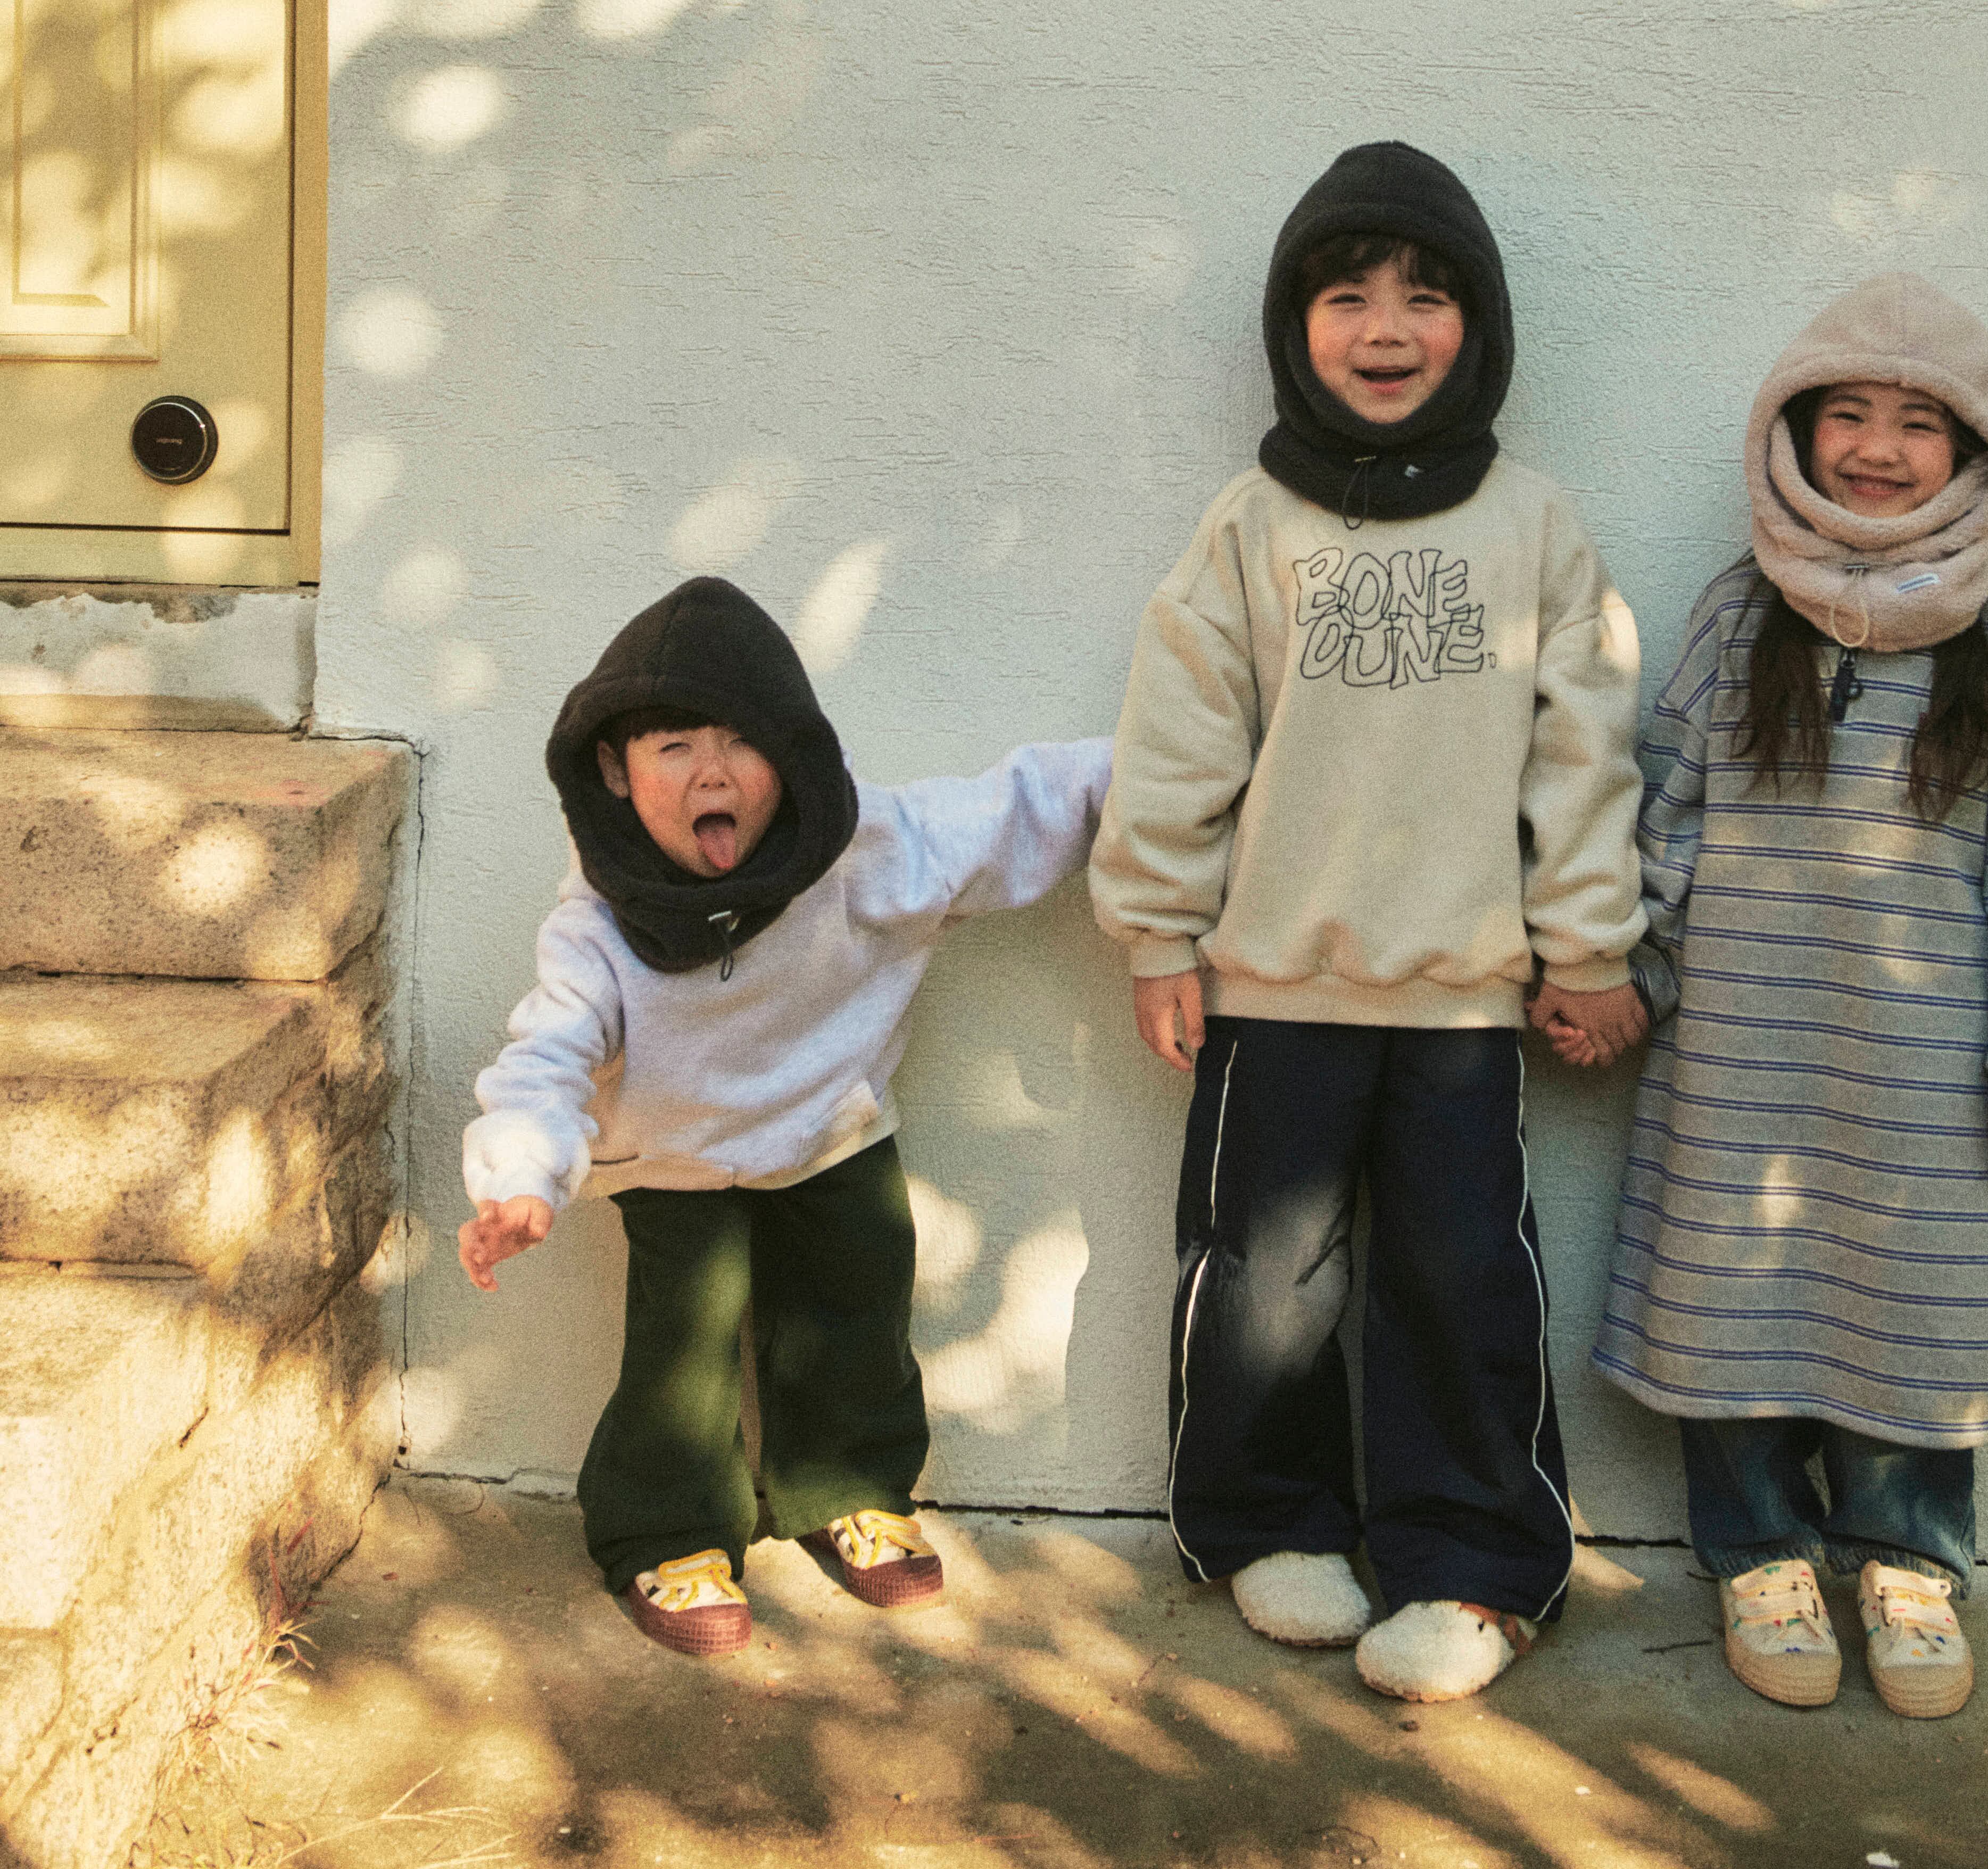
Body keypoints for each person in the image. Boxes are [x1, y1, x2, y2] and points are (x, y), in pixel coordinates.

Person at [1091, 140, 1647, 1705]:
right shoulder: (1250, 527)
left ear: (1482, 327)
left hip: (1466, 1002)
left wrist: (1589, 944)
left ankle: (1475, 1563)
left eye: (1424, 295)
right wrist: (1157, 929)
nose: (1386, 328)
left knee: (1463, 1286)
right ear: (1295, 327)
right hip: (1273, 990)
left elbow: (1583, 751)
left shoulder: (1533, 526)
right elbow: (1179, 736)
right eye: (1346, 296)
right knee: (1262, 1285)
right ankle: (1265, 1519)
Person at [1577, 274, 1988, 1721]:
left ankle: (1907, 1560)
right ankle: (1760, 1554)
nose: (1876, 447)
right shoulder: (1737, 619)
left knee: (1910, 1300)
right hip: (1736, 1057)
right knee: (1732, 1295)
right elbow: (1665, 817)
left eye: (1918, 423)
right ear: (1791, 432)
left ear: (1974, 453)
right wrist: (1625, 976)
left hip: (1923, 1073)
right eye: (1848, 413)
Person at [458, 573, 1109, 1656]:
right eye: (673, 746)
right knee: (683, 1345)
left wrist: (1172, 770)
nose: (710, 770)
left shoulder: (863, 849)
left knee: (857, 1300)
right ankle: (667, 1528)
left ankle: (848, 1487)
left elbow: (1016, 808)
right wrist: (522, 1174)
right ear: (615, 771)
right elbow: (547, 1055)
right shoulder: (599, 922)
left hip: (827, 1129)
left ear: (792, 754)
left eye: (741, 742)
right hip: (675, 1153)